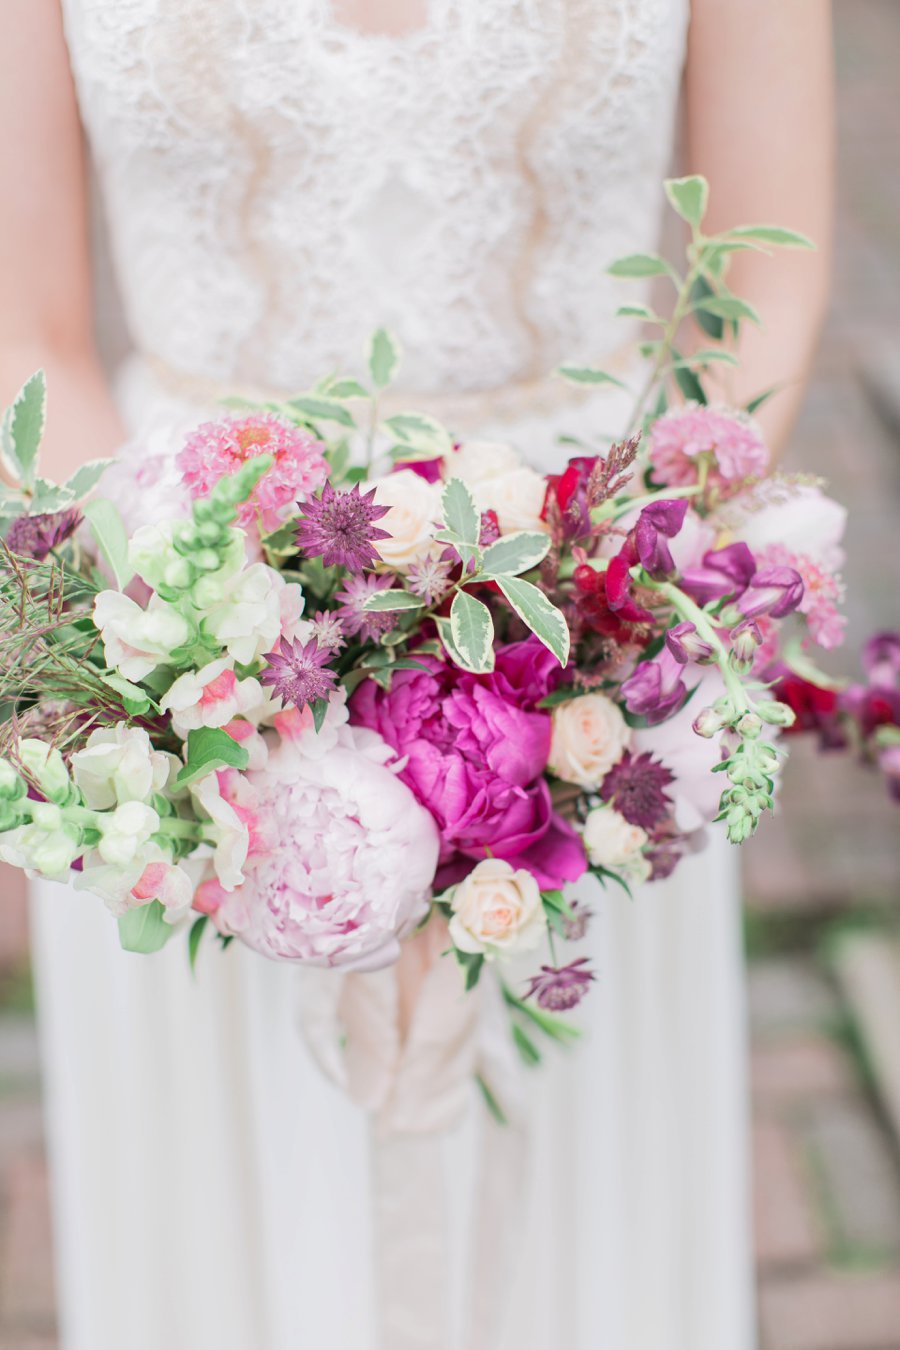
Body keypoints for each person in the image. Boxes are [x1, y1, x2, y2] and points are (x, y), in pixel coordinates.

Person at [0, 2, 833, 1347]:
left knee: (582, 1222)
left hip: (589, 664)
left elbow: (769, 281)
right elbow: (24, 331)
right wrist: (205, 662)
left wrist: (601, 610)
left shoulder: (595, 653)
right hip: (197, 664)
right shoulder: (195, 657)